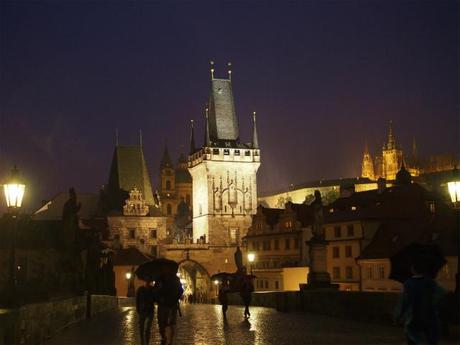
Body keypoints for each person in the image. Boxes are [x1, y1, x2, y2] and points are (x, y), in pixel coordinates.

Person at [395, 258, 445, 345]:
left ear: (413, 270)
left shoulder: (408, 283)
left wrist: (398, 316)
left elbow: (403, 302)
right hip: (430, 317)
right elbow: (441, 294)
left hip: (413, 317)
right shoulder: (430, 282)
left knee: (413, 340)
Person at [157, 269, 183, 345]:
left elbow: (180, 290)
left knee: (171, 324)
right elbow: (156, 290)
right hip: (162, 304)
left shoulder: (175, 279)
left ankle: (170, 342)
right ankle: (164, 337)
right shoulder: (160, 278)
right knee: (161, 324)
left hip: (172, 304)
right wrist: (158, 296)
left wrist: (175, 298)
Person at [136, 280, 157, 345]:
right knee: (141, 327)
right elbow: (137, 300)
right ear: (144, 281)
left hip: (150, 311)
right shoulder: (140, 289)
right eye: (146, 280)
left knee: (147, 328)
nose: (147, 282)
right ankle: (142, 340)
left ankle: (147, 342)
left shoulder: (153, 289)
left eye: (148, 280)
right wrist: (138, 310)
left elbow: (156, 298)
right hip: (142, 311)